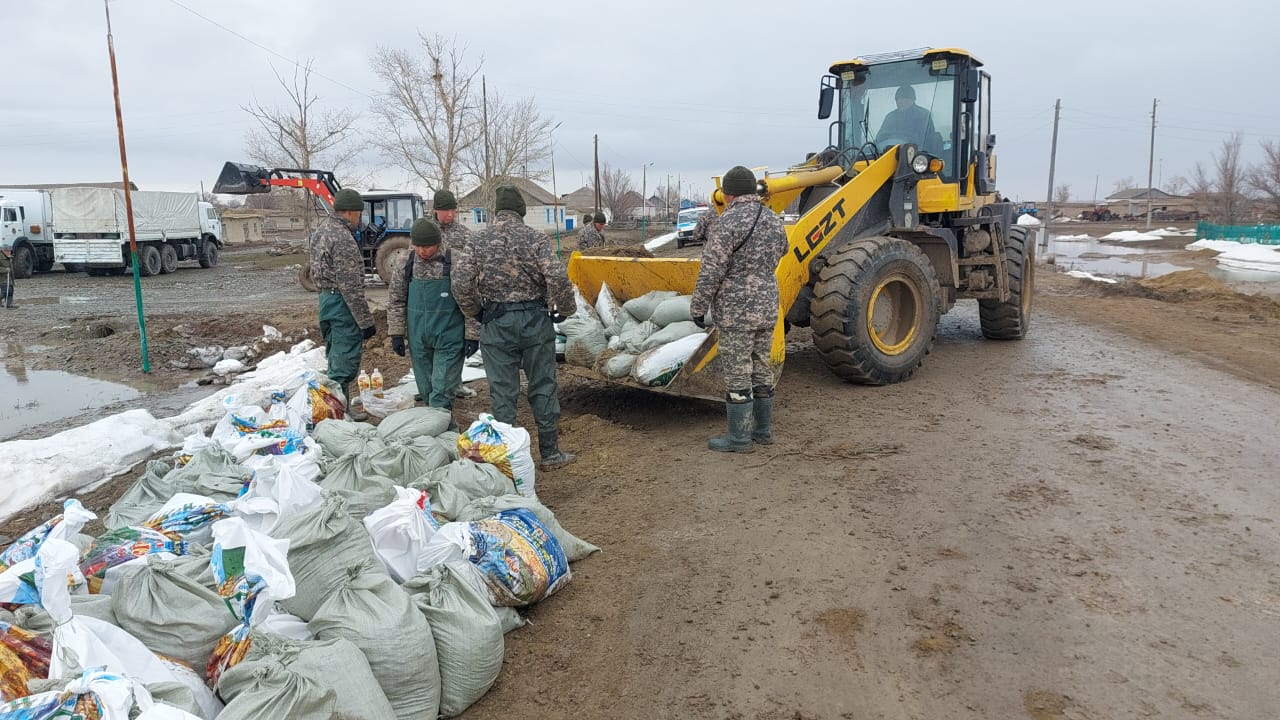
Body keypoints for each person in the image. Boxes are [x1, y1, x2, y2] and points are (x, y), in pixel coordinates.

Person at [452, 185, 578, 469]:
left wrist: (477, 312)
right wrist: (565, 309)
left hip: (496, 321)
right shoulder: (536, 239)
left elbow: (460, 282)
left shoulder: (477, 241)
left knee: (503, 391)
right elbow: (557, 276)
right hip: (535, 319)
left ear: (497, 211)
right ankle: (550, 453)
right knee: (543, 385)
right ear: (521, 212)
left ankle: (506, 458)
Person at [690, 166, 788, 453]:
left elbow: (710, 271)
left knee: (737, 372)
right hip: (768, 305)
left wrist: (698, 307)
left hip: (736, 312)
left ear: (728, 193)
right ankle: (763, 431)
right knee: (761, 367)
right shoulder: (773, 219)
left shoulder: (725, 222)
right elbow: (783, 250)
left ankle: (739, 439)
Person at [388, 218, 466, 416]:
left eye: (428, 246)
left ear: (438, 243)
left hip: (449, 334)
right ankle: (434, 423)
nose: (422, 251)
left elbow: (469, 300)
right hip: (418, 336)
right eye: (418, 246)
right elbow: (397, 299)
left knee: (442, 389)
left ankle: (441, 425)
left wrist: (473, 334)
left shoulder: (455, 261)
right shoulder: (406, 262)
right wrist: (396, 333)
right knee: (426, 387)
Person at [310, 187, 376, 420]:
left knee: (335, 355)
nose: (360, 219)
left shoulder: (321, 232)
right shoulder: (342, 238)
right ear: (350, 212)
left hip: (327, 300)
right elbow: (350, 286)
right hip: (342, 304)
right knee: (344, 360)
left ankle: (340, 409)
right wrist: (366, 321)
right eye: (359, 214)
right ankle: (337, 415)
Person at [431, 189, 480, 360]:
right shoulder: (425, 233)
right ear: (436, 210)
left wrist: (473, 333)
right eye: (446, 211)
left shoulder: (465, 235)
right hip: (431, 300)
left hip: (457, 297)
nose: (450, 215)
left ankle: (455, 383)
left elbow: (473, 280)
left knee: (455, 345)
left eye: (453, 210)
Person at [875, 84, 938, 152]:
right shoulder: (890, 117)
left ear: (912, 100)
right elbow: (880, 138)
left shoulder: (923, 115)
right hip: (888, 153)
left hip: (914, 156)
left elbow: (928, 141)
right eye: (899, 99)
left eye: (905, 99)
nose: (902, 102)